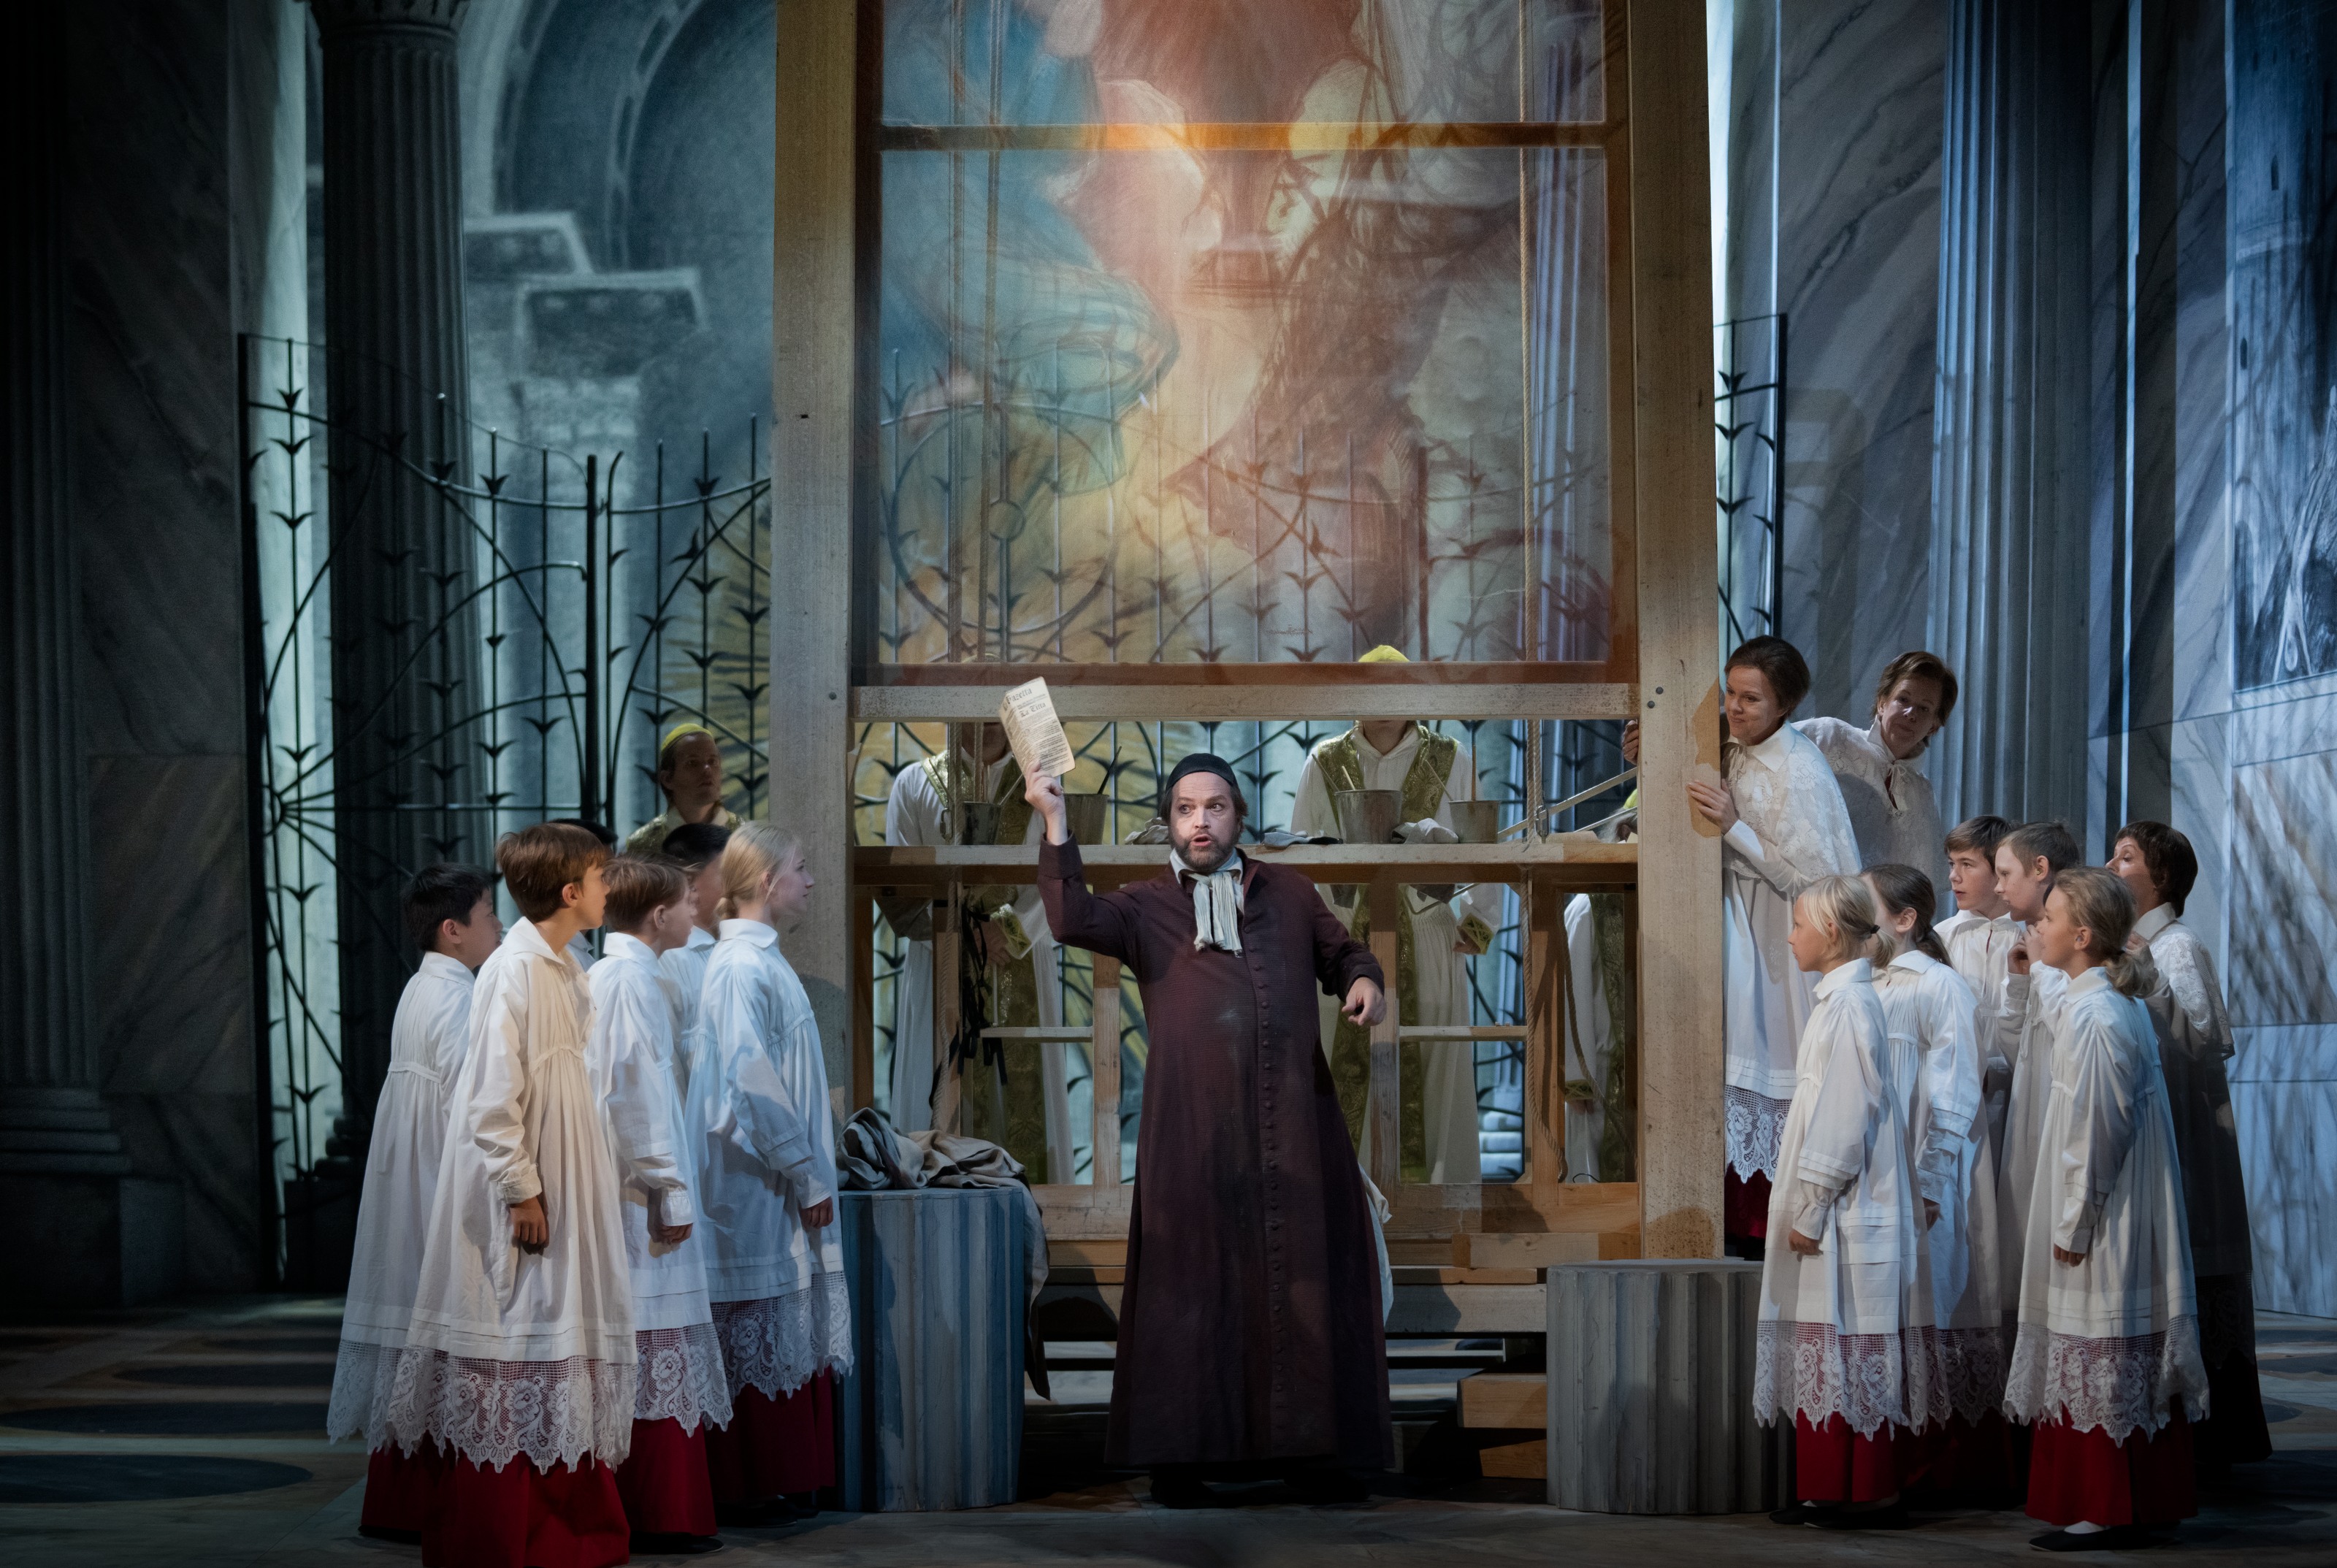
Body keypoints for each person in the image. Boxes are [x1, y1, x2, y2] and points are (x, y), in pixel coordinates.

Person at [1029, 752, 1391, 1506]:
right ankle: (1182, 1457)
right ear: (1169, 821)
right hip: (1193, 1135)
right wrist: (1055, 818)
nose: (1201, 821)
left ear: (1238, 816)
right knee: (1192, 1289)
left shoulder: (1290, 892)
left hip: (1294, 1128)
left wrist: (1363, 980)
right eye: (1186, 809)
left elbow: (1344, 952)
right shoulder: (1145, 905)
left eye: (1215, 806)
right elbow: (1070, 918)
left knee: (1301, 1283)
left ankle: (1311, 1452)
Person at [385, 823, 684, 1568]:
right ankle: (510, 1531)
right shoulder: (512, 970)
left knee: (559, 1334)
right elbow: (491, 1096)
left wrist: (625, 1178)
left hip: (569, 1174)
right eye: (600, 875)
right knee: (519, 1333)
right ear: (571, 891)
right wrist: (521, 1189)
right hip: (527, 1187)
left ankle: (568, 1528)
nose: (610, 887)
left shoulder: (567, 966)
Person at [2002, 868, 2208, 1551]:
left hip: (2106, 1214)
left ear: (2084, 935)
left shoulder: (2099, 1014)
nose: (2039, 925)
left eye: (2050, 916)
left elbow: (2099, 1130)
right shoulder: (2102, 1001)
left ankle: (2104, 1504)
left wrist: (2077, 1219)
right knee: (2110, 1339)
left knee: (2101, 1336)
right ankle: (2138, 1498)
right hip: (2112, 1203)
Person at [1755, 875, 1934, 1530]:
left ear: (1831, 931)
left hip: (1846, 1206)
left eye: (1799, 924)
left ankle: (1869, 1490)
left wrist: (1811, 1207)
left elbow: (1844, 1115)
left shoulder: (1851, 1004)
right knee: (1831, 1340)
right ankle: (1830, 1487)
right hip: (1837, 1201)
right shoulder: (1839, 1000)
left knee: (1851, 1337)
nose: (1790, 936)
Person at [329, 864, 501, 1542]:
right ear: (452, 929)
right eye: (488, 914)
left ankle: (398, 1501)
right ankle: (429, 1500)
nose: (499, 925)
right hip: (434, 1184)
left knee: (412, 1334)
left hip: (407, 1181)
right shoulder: (457, 997)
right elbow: (469, 1111)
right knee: (440, 1335)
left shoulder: (420, 986)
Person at [1288, 648, 1500, 1184]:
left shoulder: (1450, 757)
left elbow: (1481, 842)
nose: (1383, 699)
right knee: (1338, 1065)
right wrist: (1306, 938)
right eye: (1371, 685)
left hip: (1428, 934)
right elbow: (1300, 851)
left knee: (1433, 1067)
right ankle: (1344, 1202)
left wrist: (1478, 923)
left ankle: (1435, 1204)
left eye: (1395, 685)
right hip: (1343, 941)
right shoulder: (1324, 760)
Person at [692, 822, 851, 1521]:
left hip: (772, 1177)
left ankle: (782, 1477)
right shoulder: (739, 966)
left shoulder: (761, 959)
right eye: (800, 866)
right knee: (758, 1319)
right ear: (765, 882)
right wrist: (804, 1171)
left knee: (782, 1318)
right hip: (752, 1179)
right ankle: (752, 1480)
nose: (810, 879)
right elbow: (752, 1082)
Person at [1685, 637, 1862, 1252]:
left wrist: (1736, 828)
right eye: (1730, 692)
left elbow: (1814, 881)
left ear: (1784, 705)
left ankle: (1766, 1223)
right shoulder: (1731, 744)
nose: (1734, 707)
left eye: (1751, 699)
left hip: (1778, 938)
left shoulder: (1800, 770)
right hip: (1734, 922)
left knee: (1770, 1056)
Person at [2109, 822, 2270, 1472]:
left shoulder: (2175, 945)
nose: (2111, 866)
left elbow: (2202, 1036)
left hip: (2187, 1129)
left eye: (2126, 857)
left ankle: (2207, 1433)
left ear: (2162, 876)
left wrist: (2145, 970)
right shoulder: (2140, 943)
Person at [588, 857, 730, 1554]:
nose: (696, 910)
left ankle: (661, 1506)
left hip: (636, 1183)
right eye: (686, 902)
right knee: (649, 1328)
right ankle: (658, 1509)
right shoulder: (626, 978)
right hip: (634, 1193)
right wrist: (667, 1187)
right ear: (658, 915)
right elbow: (633, 1094)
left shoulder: (630, 973)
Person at [1866, 863, 2010, 1497]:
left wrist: (1930, 1180)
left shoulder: (1939, 985)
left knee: (1935, 1294)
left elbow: (1955, 1090)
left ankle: (1940, 1465)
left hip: (1930, 1177)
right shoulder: (1867, 984)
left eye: (1865, 908)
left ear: (1905, 919)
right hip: (1880, 1178)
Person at [881, 722, 1074, 1182]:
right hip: (941, 958)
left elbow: (1059, 868)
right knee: (938, 1085)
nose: (988, 724)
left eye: (997, 713)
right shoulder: (914, 784)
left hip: (1020, 957)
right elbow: (901, 882)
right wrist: (967, 933)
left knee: (1025, 1097)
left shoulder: (1043, 788)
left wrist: (1008, 930)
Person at [1993, 820, 2082, 1296]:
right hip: (2030, 1111)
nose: (1998, 887)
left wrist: (2044, 967)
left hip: (2064, 1114)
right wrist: (2020, 984)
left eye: (2006, 874)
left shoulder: (2076, 938)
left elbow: (2075, 1033)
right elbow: (2019, 1054)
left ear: (2040, 868)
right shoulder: (2033, 939)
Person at [1796, 651, 1958, 903]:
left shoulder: (1922, 792)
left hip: (1875, 918)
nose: (1911, 713)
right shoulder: (1830, 736)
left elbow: (1919, 884)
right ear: (1882, 703)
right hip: (1806, 899)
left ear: (1934, 725)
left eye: (1924, 708)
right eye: (1903, 699)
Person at [1938, 814, 2019, 1158]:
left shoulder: (2028, 939)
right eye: (1952, 864)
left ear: (1999, 870)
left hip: (2017, 1096)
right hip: (1955, 1098)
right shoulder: (1941, 938)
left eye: (1967, 865)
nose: (1954, 876)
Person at [659, 821, 733, 1098]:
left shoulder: (729, 948)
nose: (739, 885)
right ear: (689, 882)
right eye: (728, 874)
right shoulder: (671, 957)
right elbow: (669, 1061)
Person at [625, 724, 742, 856]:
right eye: (692, 763)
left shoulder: (745, 838)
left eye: (713, 761)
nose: (707, 769)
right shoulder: (643, 844)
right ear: (668, 779)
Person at [548, 819, 619, 970]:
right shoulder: (547, 959)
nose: (612, 886)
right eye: (604, 874)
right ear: (570, 892)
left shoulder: (573, 952)